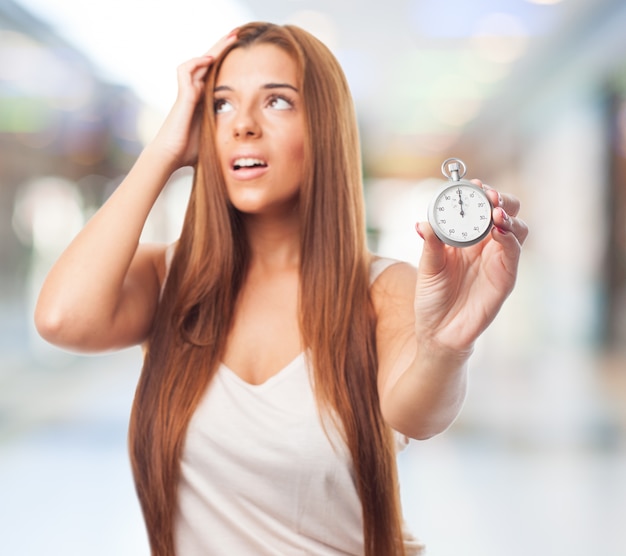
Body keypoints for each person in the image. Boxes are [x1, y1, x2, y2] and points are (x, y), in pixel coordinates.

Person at [35, 21, 528, 556]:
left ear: (325, 126)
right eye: (221, 105)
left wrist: (446, 348)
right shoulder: (169, 281)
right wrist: (165, 150)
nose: (242, 125)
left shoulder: (383, 291)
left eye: (277, 102)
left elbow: (418, 415)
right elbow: (62, 318)